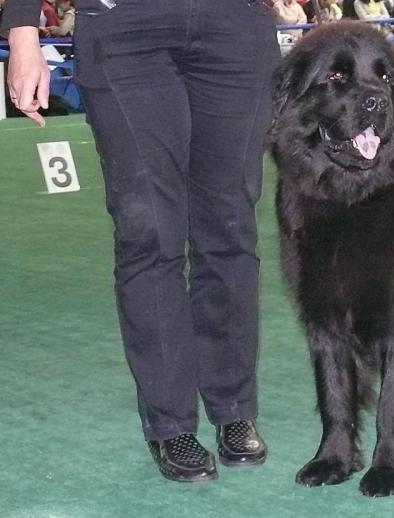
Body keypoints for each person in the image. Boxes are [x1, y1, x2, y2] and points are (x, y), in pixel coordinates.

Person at [1, 0, 279, 482]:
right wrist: (24, 33)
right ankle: (170, 422)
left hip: (233, 27)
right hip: (125, 28)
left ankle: (234, 407)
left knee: (230, 225)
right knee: (149, 229)